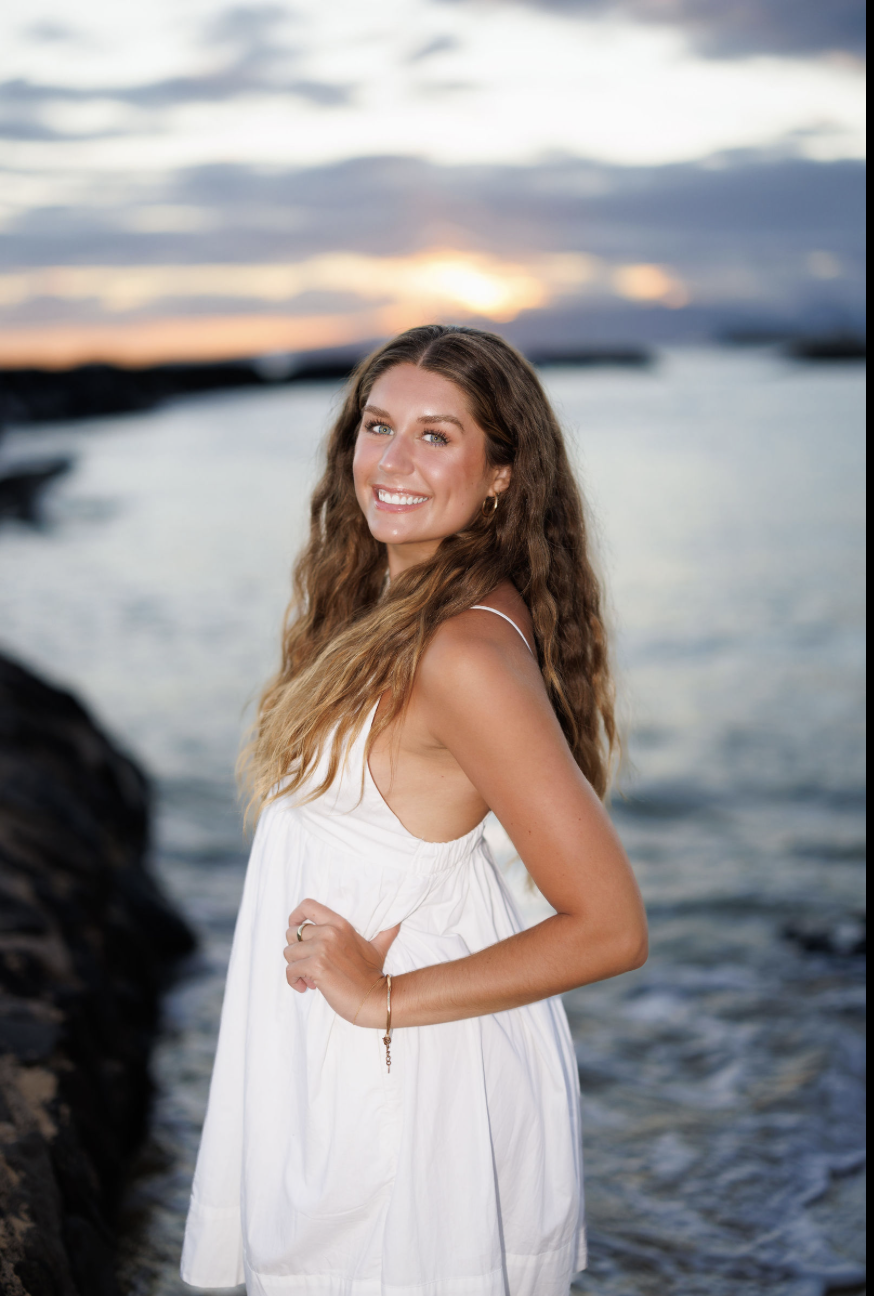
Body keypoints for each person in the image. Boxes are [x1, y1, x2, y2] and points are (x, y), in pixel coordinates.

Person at [181, 324, 647, 1296]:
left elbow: (609, 926)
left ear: (500, 476)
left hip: (405, 1078)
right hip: (358, 1053)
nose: (391, 462)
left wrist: (379, 1000)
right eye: (378, 425)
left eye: (436, 437)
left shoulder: (460, 654)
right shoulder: (395, 613)